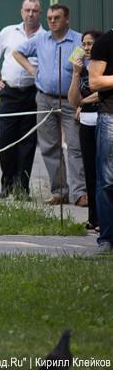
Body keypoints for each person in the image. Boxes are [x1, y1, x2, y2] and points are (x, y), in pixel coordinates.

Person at [13, 4, 84, 206]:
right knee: (48, 146)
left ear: (67, 19)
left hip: (70, 99)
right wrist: (32, 70)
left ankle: (80, 193)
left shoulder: (78, 41)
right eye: (50, 17)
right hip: (44, 98)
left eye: (57, 17)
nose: (52, 21)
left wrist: (81, 102)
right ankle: (59, 191)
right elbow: (17, 52)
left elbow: (84, 70)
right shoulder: (41, 39)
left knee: (75, 145)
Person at [0, 0, 45, 199]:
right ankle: (7, 184)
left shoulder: (45, 37)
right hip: (9, 93)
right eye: (27, 10)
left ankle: (22, 188)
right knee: (5, 141)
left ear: (40, 13)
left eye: (35, 11)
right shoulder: (8, 32)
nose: (30, 14)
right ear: (21, 12)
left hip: (32, 93)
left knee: (27, 143)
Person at [68, 30, 103, 231]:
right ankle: (93, 218)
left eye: (90, 44)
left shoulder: (105, 65)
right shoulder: (80, 68)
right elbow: (72, 100)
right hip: (86, 123)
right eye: (84, 44)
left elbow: (102, 92)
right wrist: (74, 73)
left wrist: (83, 101)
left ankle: (105, 217)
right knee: (89, 170)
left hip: (104, 120)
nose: (87, 48)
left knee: (103, 172)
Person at [88, 27, 113, 254]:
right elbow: (94, 82)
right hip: (110, 117)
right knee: (107, 181)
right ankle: (106, 239)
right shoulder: (106, 42)